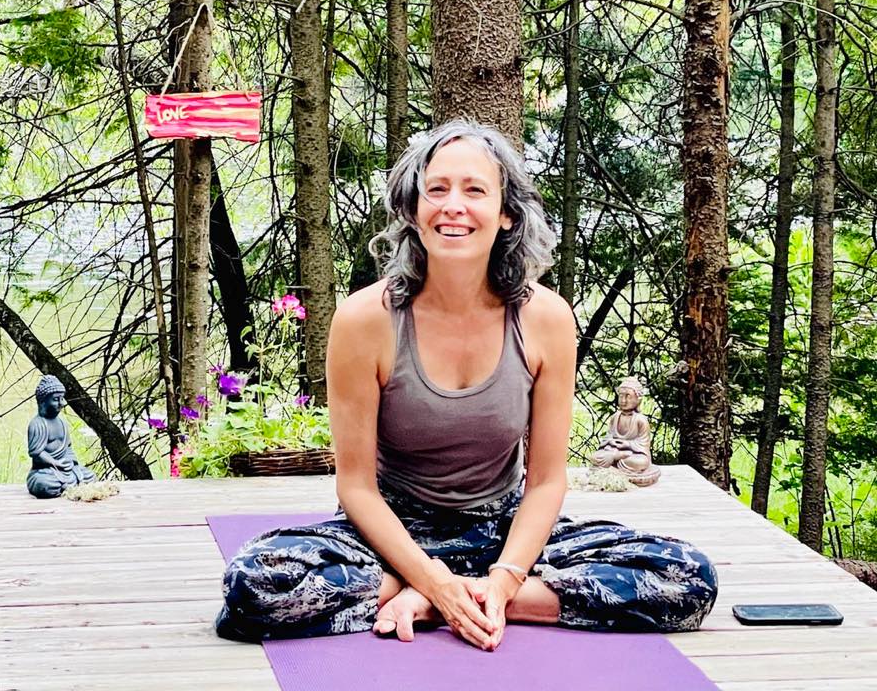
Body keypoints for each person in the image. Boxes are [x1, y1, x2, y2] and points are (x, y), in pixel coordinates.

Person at [215, 119, 717, 649]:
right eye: (437, 189)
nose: (453, 205)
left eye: (474, 190)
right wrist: (429, 576)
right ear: (413, 209)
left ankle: (449, 602)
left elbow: (546, 482)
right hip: (392, 534)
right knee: (254, 586)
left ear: (506, 214)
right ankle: (429, 589)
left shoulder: (546, 318)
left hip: (504, 529)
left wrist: (503, 582)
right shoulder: (365, 319)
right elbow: (356, 488)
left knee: (687, 576)